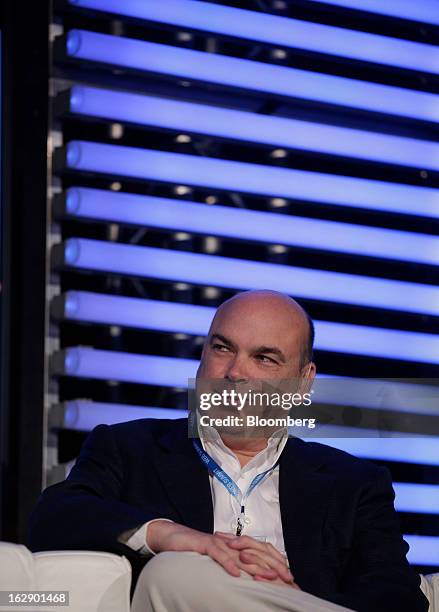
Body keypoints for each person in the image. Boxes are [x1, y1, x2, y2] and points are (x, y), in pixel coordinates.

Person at [27, 290, 428, 612]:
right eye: (222, 348)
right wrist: (172, 536)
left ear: (304, 382)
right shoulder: (129, 448)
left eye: (264, 358)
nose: (235, 373)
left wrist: (287, 595)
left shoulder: (352, 484)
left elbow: (397, 595)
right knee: (173, 574)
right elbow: (54, 517)